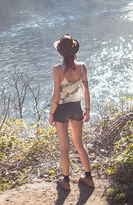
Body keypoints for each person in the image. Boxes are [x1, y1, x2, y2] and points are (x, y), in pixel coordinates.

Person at [49, 34, 94, 191]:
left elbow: (56, 95)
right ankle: (88, 178)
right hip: (77, 108)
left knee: (64, 147)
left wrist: (51, 113)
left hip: (61, 109)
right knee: (79, 144)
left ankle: (66, 181)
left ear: (60, 53)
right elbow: (86, 90)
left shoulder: (57, 70)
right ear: (75, 52)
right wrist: (87, 110)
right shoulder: (82, 67)